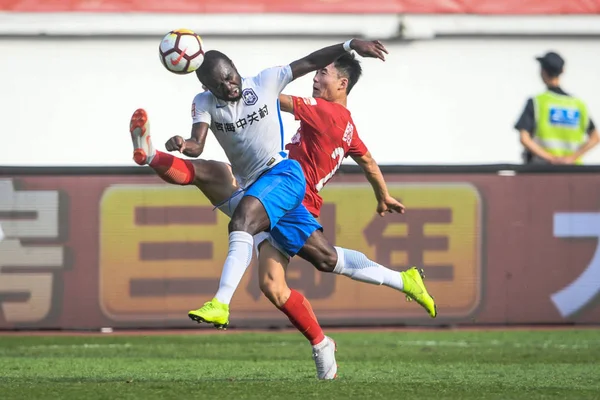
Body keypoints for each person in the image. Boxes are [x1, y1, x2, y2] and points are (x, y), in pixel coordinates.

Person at [129, 40, 436, 379]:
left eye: (323, 74)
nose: (316, 79)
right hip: (266, 187)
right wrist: (383, 195)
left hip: (287, 187)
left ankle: (221, 302)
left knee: (245, 220)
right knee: (279, 280)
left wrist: (345, 46)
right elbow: (368, 160)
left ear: (342, 84)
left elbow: (284, 89)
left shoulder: (319, 108)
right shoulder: (346, 124)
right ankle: (327, 340)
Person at [515, 51, 599, 164]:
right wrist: (571, 158)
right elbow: (595, 137)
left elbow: (524, 138)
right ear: (562, 71)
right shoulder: (578, 105)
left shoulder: (536, 102)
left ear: (542, 72)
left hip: (542, 171)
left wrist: (551, 159)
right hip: (573, 172)